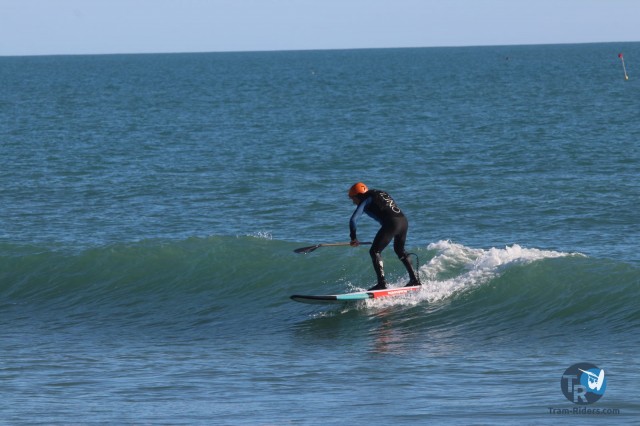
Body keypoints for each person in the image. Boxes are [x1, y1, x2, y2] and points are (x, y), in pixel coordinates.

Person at [348, 182, 421, 291]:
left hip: (392, 223)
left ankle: (382, 283)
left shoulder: (366, 198)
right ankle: (414, 280)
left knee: (374, 251)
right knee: (400, 250)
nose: (353, 202)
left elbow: (353, 220)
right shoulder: (381, 193)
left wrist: (353, 238)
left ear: (357, 195)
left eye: (352, 199)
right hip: (403, 221)